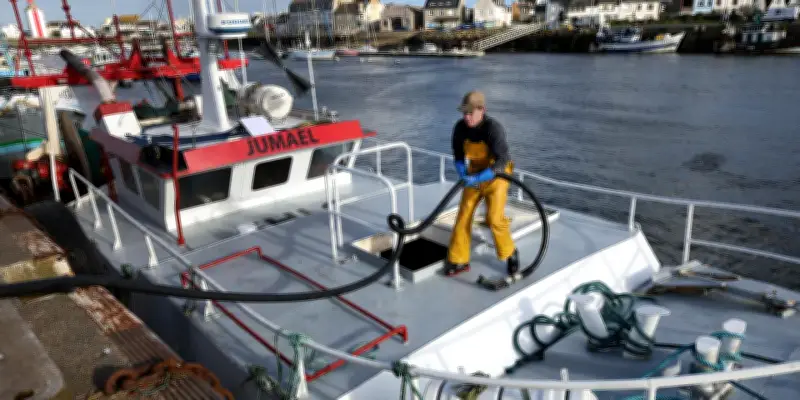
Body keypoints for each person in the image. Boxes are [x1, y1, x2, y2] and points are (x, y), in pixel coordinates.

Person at [445, 90, 519, 277]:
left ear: (482, 110)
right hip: (474, 173)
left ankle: (510, 252)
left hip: (497, 175)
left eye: (471, 113)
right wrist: (463, 172)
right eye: (464, 113)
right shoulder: (460, 128)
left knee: (494, 218)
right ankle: (459, 260)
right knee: (463, 215)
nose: (467, 117)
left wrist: (480, 178)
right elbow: (458, 155)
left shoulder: (493, 129)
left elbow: (502, 160)